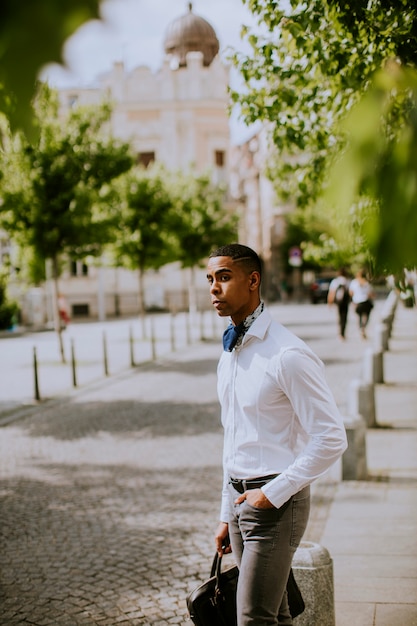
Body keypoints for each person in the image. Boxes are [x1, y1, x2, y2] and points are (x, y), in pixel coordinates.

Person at [206, 243, 348, 626]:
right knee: (277, 615)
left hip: (276, 504)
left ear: (253, 280)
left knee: (253, 617)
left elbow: (332, 437)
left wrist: (272, 494)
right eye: (210, 279)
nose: (213, 288)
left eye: (223, 277)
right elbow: (234, 439)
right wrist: (226, 513)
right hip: (241, 503)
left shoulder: (287, 354)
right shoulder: (230, 352)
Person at [349, 269, 375, 339]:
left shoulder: (354, 282)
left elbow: (351, 293)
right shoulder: (367, 283)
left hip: (357, 302)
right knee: (366, 316)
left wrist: (354, 299)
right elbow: (371, 294)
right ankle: (364, 328)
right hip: (366, 301)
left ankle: (361, 328)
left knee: (359, 317)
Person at [327, 268, 350, 340]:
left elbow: (332, 293)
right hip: (345, 302)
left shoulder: (335, 281)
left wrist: (330, 302)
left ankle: (340, 333)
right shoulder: (347, 281)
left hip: (338, 302)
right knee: (344, 317)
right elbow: (351, 292)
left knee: (339, 316)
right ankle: (343, 333)